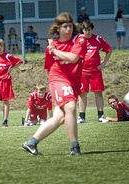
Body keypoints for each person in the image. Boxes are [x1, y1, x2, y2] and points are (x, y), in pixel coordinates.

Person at [21, 12, 87, 156]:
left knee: (60, 117)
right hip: (57, 79)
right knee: (70, 107)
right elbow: (49, 67)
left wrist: (54, 51)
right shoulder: (52, 47)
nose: (68, 30)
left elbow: (74, 58)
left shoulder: (79, 39)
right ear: (58, 29)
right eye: (65, 27)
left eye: (70, 26)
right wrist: (55, 84)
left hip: (72, 82)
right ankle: (74, 147)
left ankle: (31, 143)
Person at [77, 21, 112, 124]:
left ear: (92, 29)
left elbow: (109, 50)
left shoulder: (98, 39)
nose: (87, 32)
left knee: (98, 93)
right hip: (82, 72)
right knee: (82, 93)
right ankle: (81, 117)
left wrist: (103, 63)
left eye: (89, 30)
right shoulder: (79, 40)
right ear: (82, 30)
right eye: (85, 30)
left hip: (95, 72)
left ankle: (101, 116)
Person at [0, 39, 23, 128]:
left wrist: (11, 69)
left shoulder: (8, 56)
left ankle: (5, 121)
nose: (0, 48)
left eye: (1, 46)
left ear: (4, 47)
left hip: (5, 81)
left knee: (5, 100)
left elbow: (19, 61)